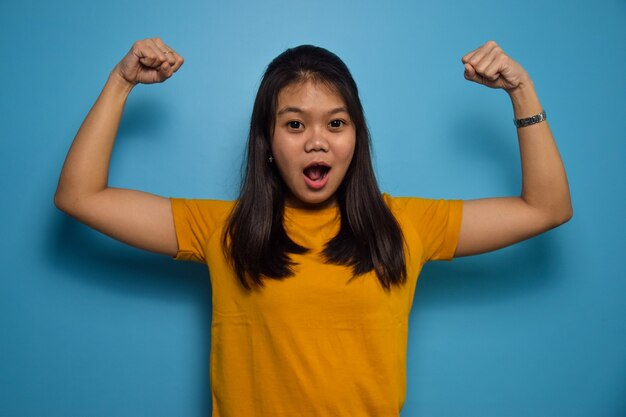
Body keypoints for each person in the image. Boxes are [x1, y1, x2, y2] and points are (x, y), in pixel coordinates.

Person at [54, 38, 572, 416]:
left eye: (336, 123)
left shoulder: (407, 225)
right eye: (295, 124)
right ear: (269, 143)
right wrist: (121, 82)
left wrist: (520, 91)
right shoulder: (223, 230)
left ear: (356, 138)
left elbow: (546, 208)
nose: (317, 142)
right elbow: (80, 196)